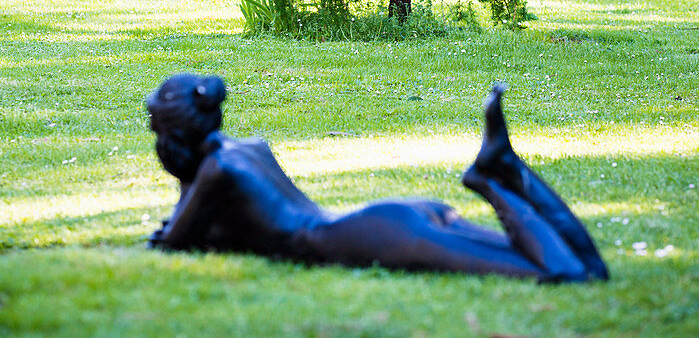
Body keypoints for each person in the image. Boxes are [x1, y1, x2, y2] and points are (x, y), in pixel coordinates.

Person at [146, 73, 608, 283]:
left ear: (175, 133)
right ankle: (503, 170)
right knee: (588, 270)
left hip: (375, 234)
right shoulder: (247, 150)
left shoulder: (217, 170)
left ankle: (491, 179)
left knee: (565, 275)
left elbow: (172, 242)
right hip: (390, 220)